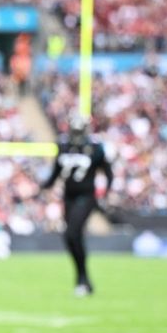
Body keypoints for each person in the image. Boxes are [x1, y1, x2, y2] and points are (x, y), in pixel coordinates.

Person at [39, 114, 114, 297]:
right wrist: (43, 187)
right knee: (71, 238)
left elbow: (108, 173)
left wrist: (106, 195)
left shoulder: (95, 148)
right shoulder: (64, 147)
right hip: (69, 197)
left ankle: (82, 279)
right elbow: (56, 172)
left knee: (72, 232)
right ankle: (83, 278)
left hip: (86, 197)